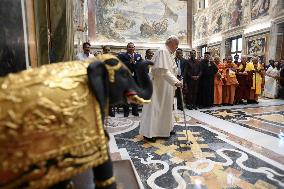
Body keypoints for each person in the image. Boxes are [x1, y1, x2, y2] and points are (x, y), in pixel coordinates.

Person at [139, 36, 182, 142]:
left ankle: (164, 129)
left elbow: (171, 69)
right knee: (155, 108)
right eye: (176, 45)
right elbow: (163, 71)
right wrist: (175, 81)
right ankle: (149, 133)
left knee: (166, 108)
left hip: (165, 86)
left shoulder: (167, 52)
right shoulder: (163, 51)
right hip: (158, 86)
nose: (176, 48)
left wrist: (175, 80)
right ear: (172, 43)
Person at [117, 42, 143, 117]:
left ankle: (135, 111)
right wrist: (129, 62)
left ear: (134, 48)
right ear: (127, 48)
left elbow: (141, 65)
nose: (131, 48)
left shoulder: (138, 56)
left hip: (136, 79)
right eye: (129, 47)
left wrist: (135, 62)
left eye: (132, 47)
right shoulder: (122, 56)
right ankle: (126, 112)